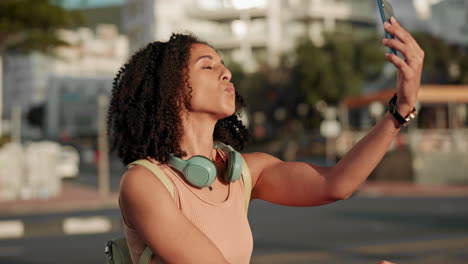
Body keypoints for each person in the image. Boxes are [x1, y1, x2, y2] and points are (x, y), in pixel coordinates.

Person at [108, 16, 423, 264]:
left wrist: (401, 110)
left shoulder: (244, 172)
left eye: (223, 63)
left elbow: (336, 184)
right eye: (207, 65)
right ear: (170, 91)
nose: (226, 72)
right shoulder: (144, 183)